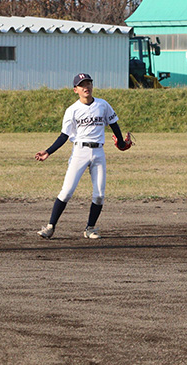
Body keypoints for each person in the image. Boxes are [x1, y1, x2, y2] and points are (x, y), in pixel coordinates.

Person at [34, 73, 131, 240]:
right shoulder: (72, 110)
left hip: (98, 152)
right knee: (66, 192)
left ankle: (90, 228)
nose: (86, 87)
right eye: (82, 85)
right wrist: (48, 151)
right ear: (75, 90)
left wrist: (121, 143)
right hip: (80, 152)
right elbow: (64, 136)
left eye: (88, 83)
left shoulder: (103, 105)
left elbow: (114, 125)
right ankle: (50, 227)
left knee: (99, 194)